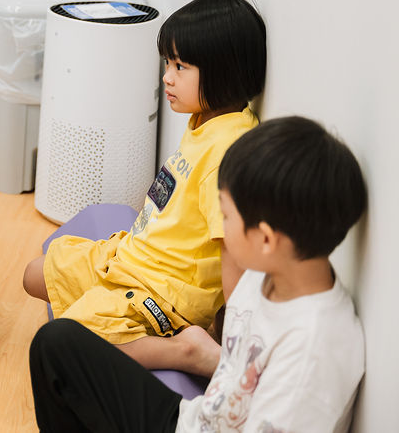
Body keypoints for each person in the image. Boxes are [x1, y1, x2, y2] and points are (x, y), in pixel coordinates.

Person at [29, 116, 367, 432]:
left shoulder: (313, 351)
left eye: (225, 215)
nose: (219, 228)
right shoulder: (265, 276)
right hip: (194, 420)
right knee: (55, 343)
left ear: (265, 238)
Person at [23, 0, 267, 375]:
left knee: (70, 340)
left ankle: (185, 350)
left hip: (165, 293)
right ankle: (111, 313)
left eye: (180, 67)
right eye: (168, 63)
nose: (167, 76)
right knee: (34, 274)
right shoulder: (205, 118)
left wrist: (228, 333)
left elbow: (233, 254)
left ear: (224, 71)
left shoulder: (229, 153)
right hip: (133, 258)